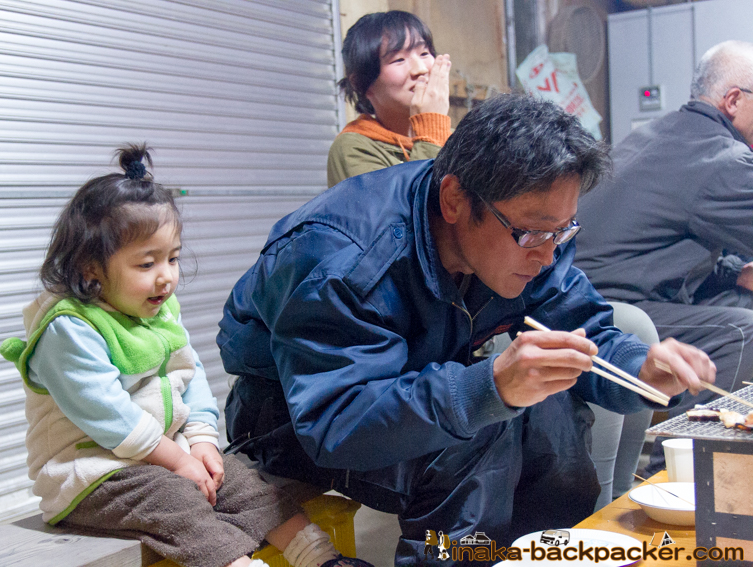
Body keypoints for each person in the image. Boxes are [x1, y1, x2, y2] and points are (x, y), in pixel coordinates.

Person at [218, 95, 715, 566]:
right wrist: (490, 388)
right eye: (533, 232)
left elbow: (584, 332)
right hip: (291, 415)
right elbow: (337, 423)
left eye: (563, 231)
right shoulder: (343, 258)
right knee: (475, 435)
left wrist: (642, 367)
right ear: (455, 199)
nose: (547, 253)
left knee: (553, 411)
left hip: (396, 385)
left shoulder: (533, 237)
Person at [0, 145, 373, 567]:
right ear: (90, 268)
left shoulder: (156, 310)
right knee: (176, 499)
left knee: (242, 480)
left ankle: (320, 557)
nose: (167, 276)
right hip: (90, 474)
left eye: (172, 258)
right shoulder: (68, 329)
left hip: (157, 457)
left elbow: (189, 373)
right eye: (146, 264)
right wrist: (178, 461)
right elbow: (109, 415)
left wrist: (201, 443)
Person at [573, 40, 753, 474]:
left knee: (741, 300)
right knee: (743, 330)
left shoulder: (662, 134)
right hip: (609, 304)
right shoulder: (721, 159)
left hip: (589, 287)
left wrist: (732, 274)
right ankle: (678, 476)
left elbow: (662, 241)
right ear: (733, 100)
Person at [327, 10, 451, 187]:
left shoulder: (454, 136)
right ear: (362, 83)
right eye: (399, 59)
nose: (421, 69)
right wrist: (430, 128)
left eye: (424, 53)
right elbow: (410, 211)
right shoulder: (353, 148)